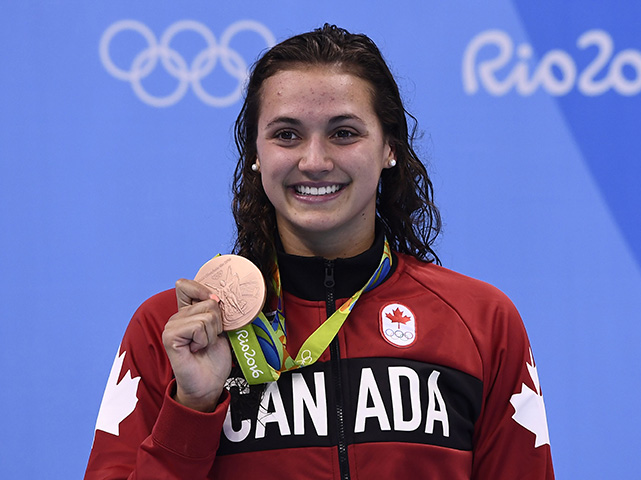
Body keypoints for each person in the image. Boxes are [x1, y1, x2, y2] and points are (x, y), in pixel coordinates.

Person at [85, 24, 554, 479]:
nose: (314, 162)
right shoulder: (174, 331)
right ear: (255, 152)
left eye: (344, 133)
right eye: (286, 134)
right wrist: (191, 409)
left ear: (389, 146)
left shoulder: (480, 322)